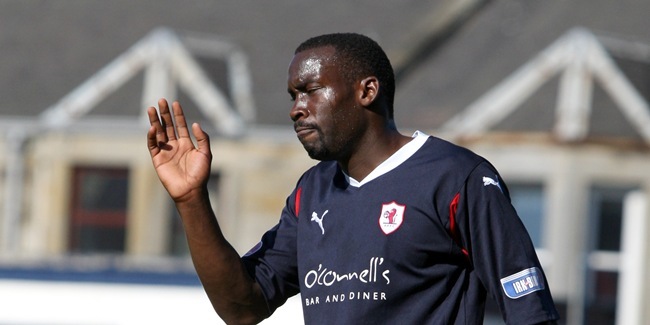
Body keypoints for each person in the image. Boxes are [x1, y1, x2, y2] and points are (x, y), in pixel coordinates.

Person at [147, 33, 560, 324]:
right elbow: (242, 308)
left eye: (309, 90)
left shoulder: (456, 178)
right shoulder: (311, 193)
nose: (296, 108)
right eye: (293, 96)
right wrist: (191, 200)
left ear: (367, 91)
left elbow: (531, 314)